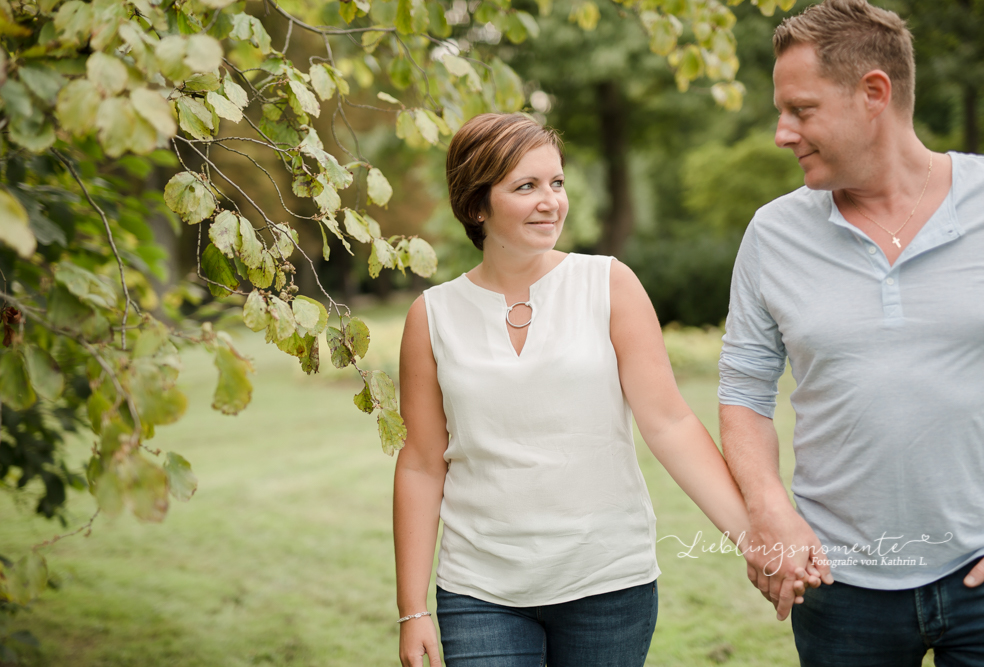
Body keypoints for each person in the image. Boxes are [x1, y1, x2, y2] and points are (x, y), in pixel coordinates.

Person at [392, 113, 768, 667]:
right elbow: (422, 463)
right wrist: (412, 609)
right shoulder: (433, 316)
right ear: (477, 205)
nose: (551, 201)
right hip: (481, 590)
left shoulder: (609, 283)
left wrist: (752, 538)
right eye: (526, 187)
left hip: (608, 582)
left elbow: (669, 424)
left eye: (557, 182)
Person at [718, 0, 984, 664]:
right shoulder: (772, 234)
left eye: (802, 111)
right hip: (837, 584)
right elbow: (744, 392)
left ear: (874, 93)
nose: (783, 133)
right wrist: (769, 508)